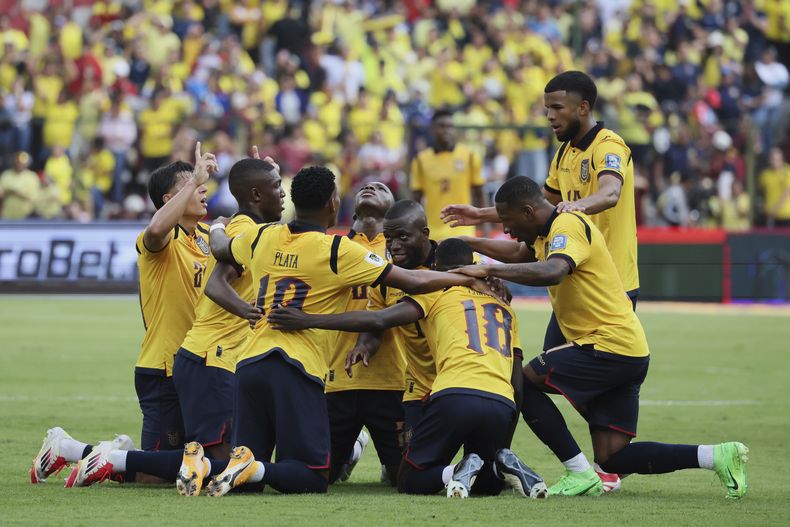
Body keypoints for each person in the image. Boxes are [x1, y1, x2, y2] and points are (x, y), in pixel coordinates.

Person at [451, 176, 749, 499]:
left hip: (608, 345)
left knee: (525, 381)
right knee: (612, 457)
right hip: (630, 349)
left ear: (527, 212)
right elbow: (518, 254)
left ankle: (578, 471)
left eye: (508, 222)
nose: (506, 230)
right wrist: (470, 246)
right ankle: (716, 455)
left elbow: (553, 270)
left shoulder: (566, 226)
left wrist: (487, 271)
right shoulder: (545, 232)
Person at [199, 166, 488, 496]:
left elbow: (221, 248)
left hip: (251, 361)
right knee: (311, 476)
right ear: (334, 204)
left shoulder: (264, 235)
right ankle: (229, 466)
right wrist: (472, 275)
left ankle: (210, 465)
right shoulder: (338, 250)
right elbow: (409, 283)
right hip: (305, 367)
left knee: (250, 483)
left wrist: (218, 225)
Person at [266, 238, 546, 499]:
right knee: (486, 486)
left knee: (410, 479)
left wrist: (308, 319)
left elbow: (379, 320)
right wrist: (504, 438)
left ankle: (456, 469)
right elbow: (517, 380)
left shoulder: (435, 291)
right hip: (501, 401)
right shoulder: (504, 306)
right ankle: (500, 465)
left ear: (435, 267)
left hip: (455, 392)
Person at [30, 145, 217, 486]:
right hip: (164, 369)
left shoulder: (205, 237)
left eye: (202, 184)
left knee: (203, 456)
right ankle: (73, 449)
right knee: (154, 478)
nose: (203, 188)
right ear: (168, 198)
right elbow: (157, 230)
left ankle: (96, 451)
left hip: (199, 367)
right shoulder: (162, 239)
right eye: (191, 184)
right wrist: (194, 181)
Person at [440, 71, 640, 347]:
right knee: (561, 375)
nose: (549, 116)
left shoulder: (609, 146)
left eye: (557, 108)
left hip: (611, 283)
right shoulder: (563, 154)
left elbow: (610, 192)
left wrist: (576, 206)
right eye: (547, 109)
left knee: (572, 373)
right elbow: (533, 209)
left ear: (582, 108)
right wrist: (479, 213)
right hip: (574, 282)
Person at [173, 156, 285, 469]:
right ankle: (108, 458)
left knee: (232, 464)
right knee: (220, 464)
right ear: (257, 195)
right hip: (211, 357)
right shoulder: (242, 228)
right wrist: (253, 314)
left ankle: (116, 459)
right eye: (277, 186)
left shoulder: (253, 229)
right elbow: (215, 285)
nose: (284, 193)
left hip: (222, 358)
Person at [321, 181, 405, 486]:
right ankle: (353, 449)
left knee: (403, 479)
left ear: (394, 206)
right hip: (338, 375)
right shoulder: (333, 247)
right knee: (321, 477)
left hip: (392, 377)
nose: (370, 186)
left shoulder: (402, 248)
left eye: (380, 186)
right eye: (364, 187)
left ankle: (385, 460)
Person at [411, 109, 486, 241]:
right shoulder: (421, 160)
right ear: (432, 129)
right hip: (433, 231)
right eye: (442, 126)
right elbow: (416, 199)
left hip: (464, 229)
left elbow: (479, 192)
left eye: (450, 127)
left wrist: (485, 225)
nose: (446, 130)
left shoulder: (469, 156)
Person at [0, 152, 40, 219]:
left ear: (27, 164)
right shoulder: (6, 175)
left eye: (22, 163)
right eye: (17, 162)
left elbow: (35, 198)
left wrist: (18, 192)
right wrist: (8, 191)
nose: (19, 165)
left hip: (25, 215)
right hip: (7, 214)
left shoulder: (32, 177)